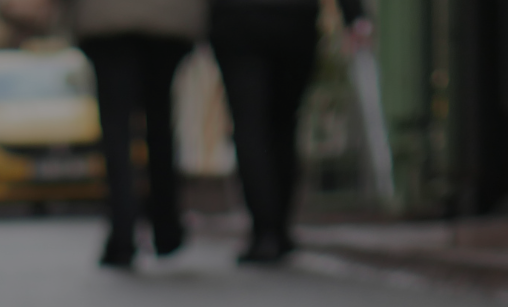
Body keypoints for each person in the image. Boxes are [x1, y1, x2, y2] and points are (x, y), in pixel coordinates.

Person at [211, 0, 369, 264]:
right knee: (284, 125)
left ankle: (264, 230)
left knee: (249, 125)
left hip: (238, 18)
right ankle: (279, 229)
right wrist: (354, 15)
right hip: (293, 18)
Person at [70, 0, 208, 268]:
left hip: (108, 18)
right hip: (167, 18)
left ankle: (122, 231)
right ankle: (166, 226)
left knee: (116, 131)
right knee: (160, 123)